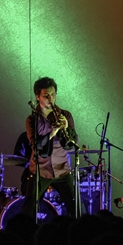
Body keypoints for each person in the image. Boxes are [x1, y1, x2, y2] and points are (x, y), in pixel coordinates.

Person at [23, 76, 78, 219]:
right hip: (40, 171)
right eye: (46, 95)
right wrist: (51, 134)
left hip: (62, 169)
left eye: (53, 94)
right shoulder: (32, 120)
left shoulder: (65, 115)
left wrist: (66, 127)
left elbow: (72, 144)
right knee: (29, 211)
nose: (50, 98)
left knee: (78, 209)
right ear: (37, 97)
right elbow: (36, 146)